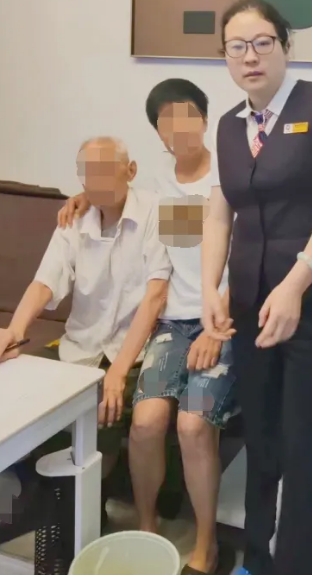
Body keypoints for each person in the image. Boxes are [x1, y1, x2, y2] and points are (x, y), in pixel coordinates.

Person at [201, 0, 312, 575]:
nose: (250, 56)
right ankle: (258, 558)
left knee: (307, 447)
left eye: (263, 42)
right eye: (237, 47)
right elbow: (219, 214)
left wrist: (297, 281)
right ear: (225, 57)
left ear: (287, 46)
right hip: (250, 308)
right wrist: (210, 289)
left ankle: (308, 565)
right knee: (262, 440)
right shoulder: (228, 126)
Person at [58, 81, 236, 575]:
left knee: (192, 425)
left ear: (205, 119)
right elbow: (133, 206)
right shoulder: (162, 182)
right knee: (145, 422)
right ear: (157, 132)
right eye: (165, 121)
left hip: (224, 322)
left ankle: (206, 546)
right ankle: (147, 528)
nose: (177, 128)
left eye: (187, 116)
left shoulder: (231, 176)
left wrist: (214, 328)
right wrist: (85, 195)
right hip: (173, 323)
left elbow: (245, 261)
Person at [0, 136, 171, 525]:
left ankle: (84, 508)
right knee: (9, 379)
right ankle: (41, 500)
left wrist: (118, 371)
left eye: (105, 171)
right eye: (87, 174)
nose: (95, 181)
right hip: (79, 344)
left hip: (135, 349)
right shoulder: (74, 218)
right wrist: (13, 331)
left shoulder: (158, 211)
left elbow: (156, 296)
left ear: (131, 171)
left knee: (104, 407)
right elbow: (45, 281)